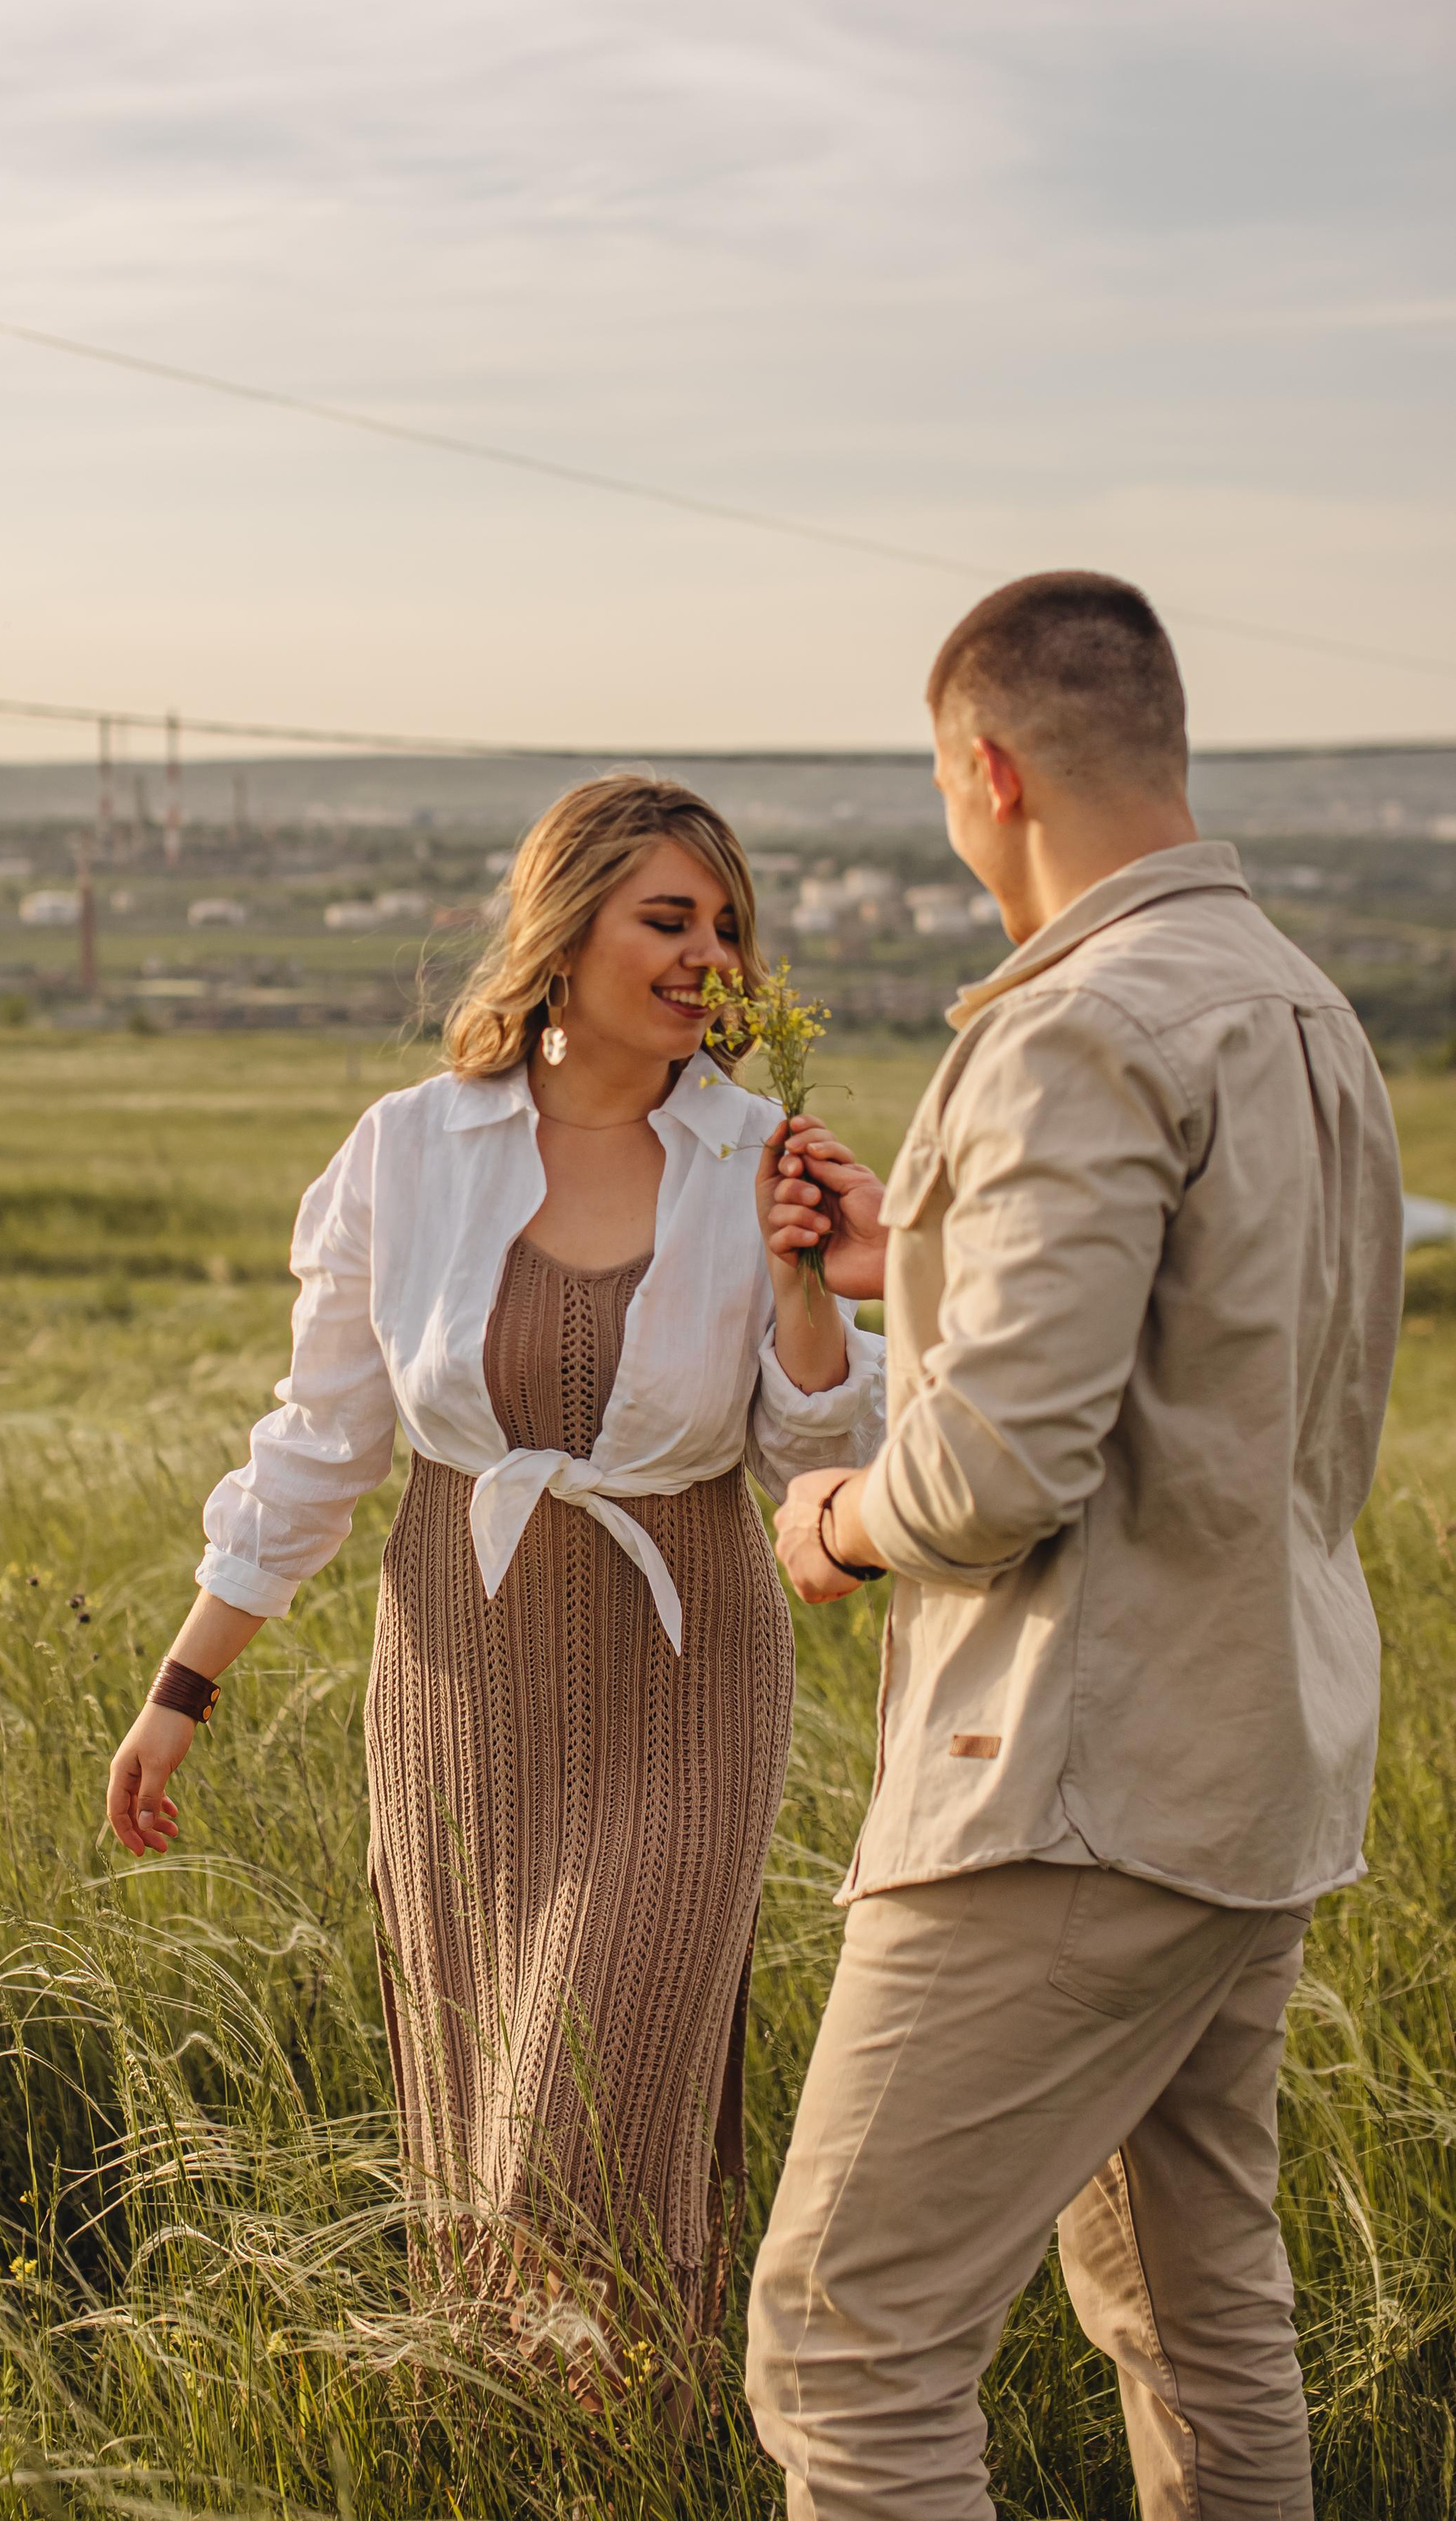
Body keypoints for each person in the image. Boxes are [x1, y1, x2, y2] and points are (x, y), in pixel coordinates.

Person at [746, 571, 1405, 2519]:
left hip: (1070, 1785)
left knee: (847, 2343)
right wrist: (911, 1272)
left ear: (990, 767)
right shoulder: (1308, 1012)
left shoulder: (1074, 1032)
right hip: (1259, 1764)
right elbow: (1210, 1363)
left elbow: (999, 1475)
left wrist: (835, 1518)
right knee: (1197, 2324)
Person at [105, 772, 888, 2365]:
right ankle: (524, 2446)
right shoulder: (411, 1149)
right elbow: (317, 1447)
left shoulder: (762, 1153)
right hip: (462, 1680)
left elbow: (818, 1468)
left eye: (726, 927)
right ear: (563, 925)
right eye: (666, 918)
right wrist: (182, 1685)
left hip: (685, 1681)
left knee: (581, 2123)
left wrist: (808, 1288)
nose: (705, 957)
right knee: (476, 2127)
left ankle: (613, 2432)